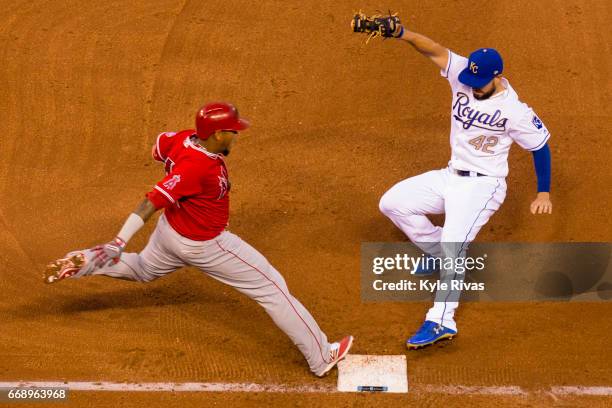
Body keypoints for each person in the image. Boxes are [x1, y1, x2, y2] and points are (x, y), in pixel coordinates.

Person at [44, 102, 353, 376]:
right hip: (206, 244)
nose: (236, 134)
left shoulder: (183, 139)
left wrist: (174, 166)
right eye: (232, 130)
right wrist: (118, 240)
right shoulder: (197, 166)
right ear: (217, 134)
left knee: (142, 269)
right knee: (270, 286)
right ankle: (321, 356)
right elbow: (151, 201)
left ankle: (84, 261)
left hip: (171, 233)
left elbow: (159, 148)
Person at [367, 22, 553, 348]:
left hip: (485, 187)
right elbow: (434, 50)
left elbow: (540, 147)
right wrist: (403, 34)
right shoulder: (465, 75)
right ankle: (436, 252)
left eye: (480, 84)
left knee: (456, 244)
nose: (474, 87)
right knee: (392, 203)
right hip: (451, 175)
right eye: (472, 81)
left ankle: (441, 320)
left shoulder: (515, 111)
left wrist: (543, 192)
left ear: (497, 76)